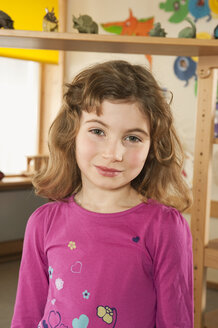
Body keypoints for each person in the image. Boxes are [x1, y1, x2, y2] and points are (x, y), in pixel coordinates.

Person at [11, 60, 194, 328]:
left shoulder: (165, 227)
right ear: (71, 134)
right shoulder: (42, 223)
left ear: (153, 146)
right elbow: (26, 316)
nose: (113, 154)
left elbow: (175, 321)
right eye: (98, 131)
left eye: (132, 138)